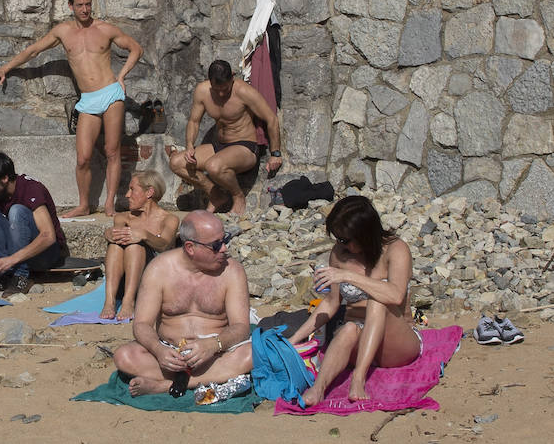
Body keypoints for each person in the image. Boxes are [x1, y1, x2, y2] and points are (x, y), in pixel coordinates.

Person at [0, 0, 142, 216]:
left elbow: (136, 49)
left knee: (112, 151)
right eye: (80, 5)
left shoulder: (105, 29)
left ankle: (110, 202)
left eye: (88, 4)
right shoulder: (63, 31)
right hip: (88, 99)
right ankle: (83, 204)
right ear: (70, 6)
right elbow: (33, 51)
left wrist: (121, 76)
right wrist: (5, 68)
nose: (85, 9)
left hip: (111, 94)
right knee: (83, 158)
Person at [289, 195, 421, 404]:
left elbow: (395, 296)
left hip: (396, 341)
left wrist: (349, 276)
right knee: (348, 328)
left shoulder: (395, 250)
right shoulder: (340, 253)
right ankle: (318, 389)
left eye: (345, 239)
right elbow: (332, 302)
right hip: (358, 338)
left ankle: (358, 379)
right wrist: (295, 339)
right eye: (338, 238)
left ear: (365, 234)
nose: (341, 244)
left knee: (377, 300)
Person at [114, 210, 255, 396]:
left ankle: (166, 386)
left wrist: (213, 345)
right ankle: (205, 378)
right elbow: (141, 324)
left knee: (253, 354)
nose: (224, 249)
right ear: (190, 247)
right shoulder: (160, 269)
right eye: (216, 245)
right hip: (171, 354)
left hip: (216, 354)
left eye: (225, 240)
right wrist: (159, 350)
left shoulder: (232, 271)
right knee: (124, 356)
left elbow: (241, 327)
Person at [168, 59, 284, 214]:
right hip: (219, 146)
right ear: (210, 82)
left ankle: (238, 196)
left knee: (213, 166)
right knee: (176, 162)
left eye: (225, 89)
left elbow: (271, 119)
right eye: (217, 90)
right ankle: (215, 194)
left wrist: (275, 153)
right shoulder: (202, 91)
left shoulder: (244, 91)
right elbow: (194, 121)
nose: (221, 94)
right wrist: (189, 145)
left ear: (232, 77)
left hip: (245, 147)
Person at [0, 152, 67, 297]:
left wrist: (12, 260)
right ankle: (5, 275)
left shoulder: (30, 188)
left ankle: (21, 276)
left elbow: (48, 236)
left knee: (17, 211)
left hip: (45, 254)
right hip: (15, 254)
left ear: (5, 179)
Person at [100, 170, 179, 320]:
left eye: (132, 189)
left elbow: (165, 245)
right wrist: (109, 234)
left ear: (149, 192)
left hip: (154, 279)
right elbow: (115, 234)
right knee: (115, 245)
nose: (127, 195)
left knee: (135, 246)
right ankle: (109, 301)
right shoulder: (123, 217)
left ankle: (129, 302)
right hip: (126, 278)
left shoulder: (169, 219)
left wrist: (144, 235)